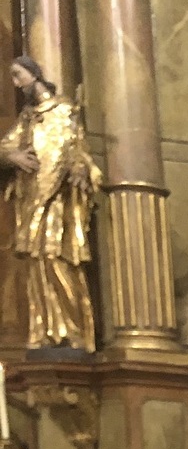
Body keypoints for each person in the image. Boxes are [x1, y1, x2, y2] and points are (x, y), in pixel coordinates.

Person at [0, 55, 101, 353]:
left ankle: (72, 331)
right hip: (31, 202)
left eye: (18, 75)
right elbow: (5, 147)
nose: (16, 83)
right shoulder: (27, 118)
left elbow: (78, 151)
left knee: (59, 259)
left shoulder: (65, 110)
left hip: (58, 204)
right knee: (37, 264)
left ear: (34, 74)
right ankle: (47, 330)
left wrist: (79, 167)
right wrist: (12, 156)